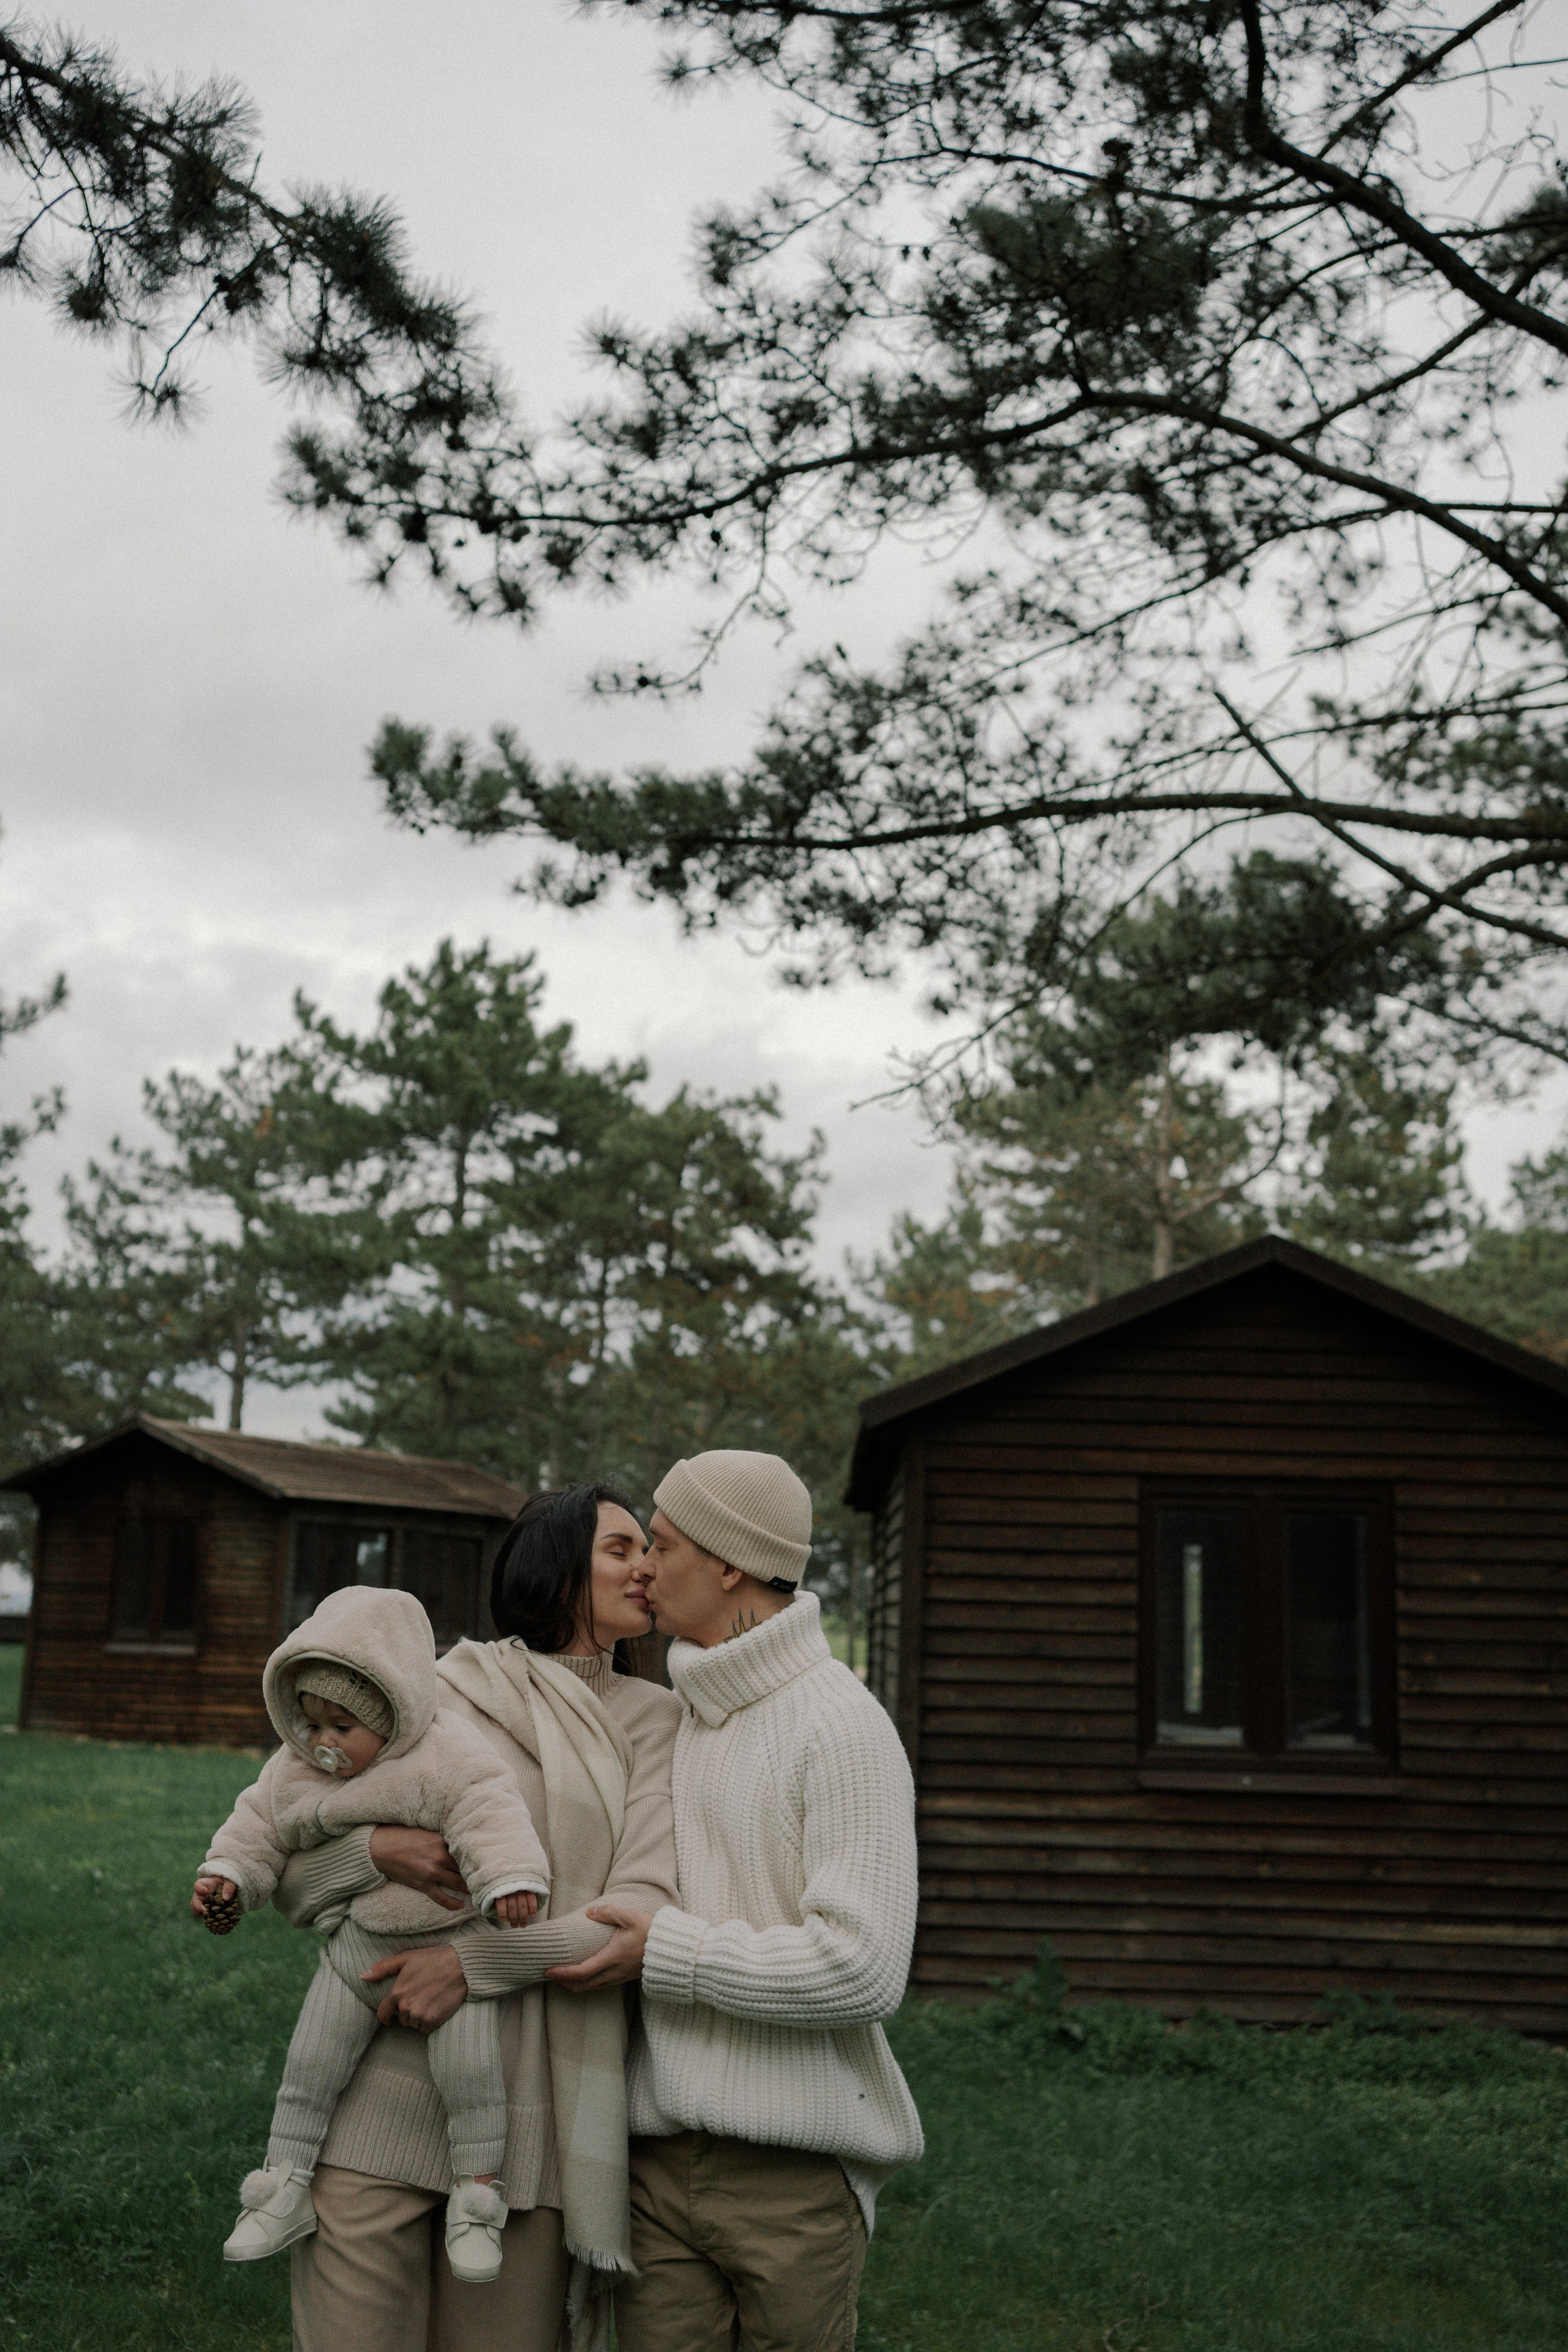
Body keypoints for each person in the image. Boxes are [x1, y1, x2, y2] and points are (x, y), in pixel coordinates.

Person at [271, 1485, 680, 2352]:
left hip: (527, 2123)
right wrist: (376, 1852)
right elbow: (296, 1886)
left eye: (649, 1549)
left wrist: (473, 1966)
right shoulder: (435, 1697)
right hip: (375, 2086)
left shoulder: (657, 1722)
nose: (645, 1567)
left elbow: (634, 1920)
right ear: (556, 1566)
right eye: (619, 1548)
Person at [554, 1449, 923, 2352]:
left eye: (665, 1545)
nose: (641, 1565)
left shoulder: (841, 1727)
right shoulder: (676, 1719)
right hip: (655, 2164)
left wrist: (668, 1952)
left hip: (791, 2180)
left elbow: (863, 1967)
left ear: (729, 1564)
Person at [195, 1584, 551, 2284]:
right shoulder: (293, 1768)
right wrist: (228, 1873)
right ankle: (283, 2185)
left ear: (393, 1714)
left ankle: (478, 2199)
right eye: (313, 1724)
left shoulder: (447, 1754)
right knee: (309, 2068)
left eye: (343, 1727)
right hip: (353, 1956)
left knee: (471, 2080)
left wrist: (509, 1879)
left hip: (444, 1946)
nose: (324, 1744)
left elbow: (491, 1811)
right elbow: (257, 1825)